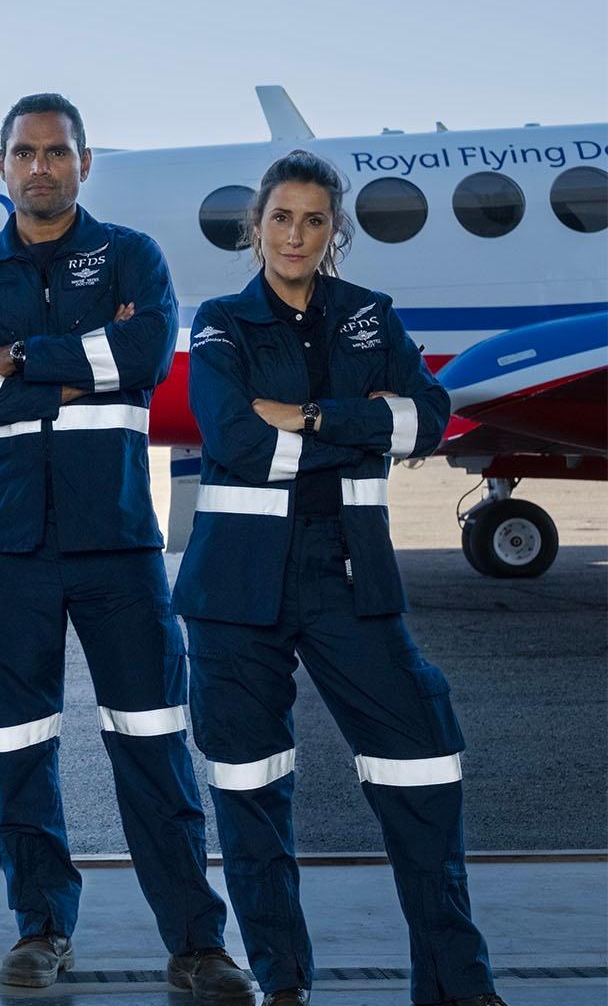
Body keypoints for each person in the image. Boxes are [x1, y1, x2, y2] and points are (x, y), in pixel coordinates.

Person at [0, 93, 252, 1003]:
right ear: (2, 166)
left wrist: (19, 359)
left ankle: (197, 942)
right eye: (23, 152)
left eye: (56, 152)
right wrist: (73, 371)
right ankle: (41, 927)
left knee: (152, 741)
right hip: (3, 549)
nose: (39, 167)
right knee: (16, 742)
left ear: (84, 162)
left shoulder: (132, 256)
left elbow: (145, 355)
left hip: (116, 544)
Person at [176, 150, 505, 1006]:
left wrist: (314, 415)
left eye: (314, 220)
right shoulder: (219, 323)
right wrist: (367, 425)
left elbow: (430, 420)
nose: (295, 234)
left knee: (423, 760)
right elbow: (234, 438)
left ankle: (457, 987)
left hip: (349, 575)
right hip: (234, 589)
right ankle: (282, 986)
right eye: (280, 217)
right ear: (257, 228)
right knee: (250, 791)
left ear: (335, 233)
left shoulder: (370, 316)